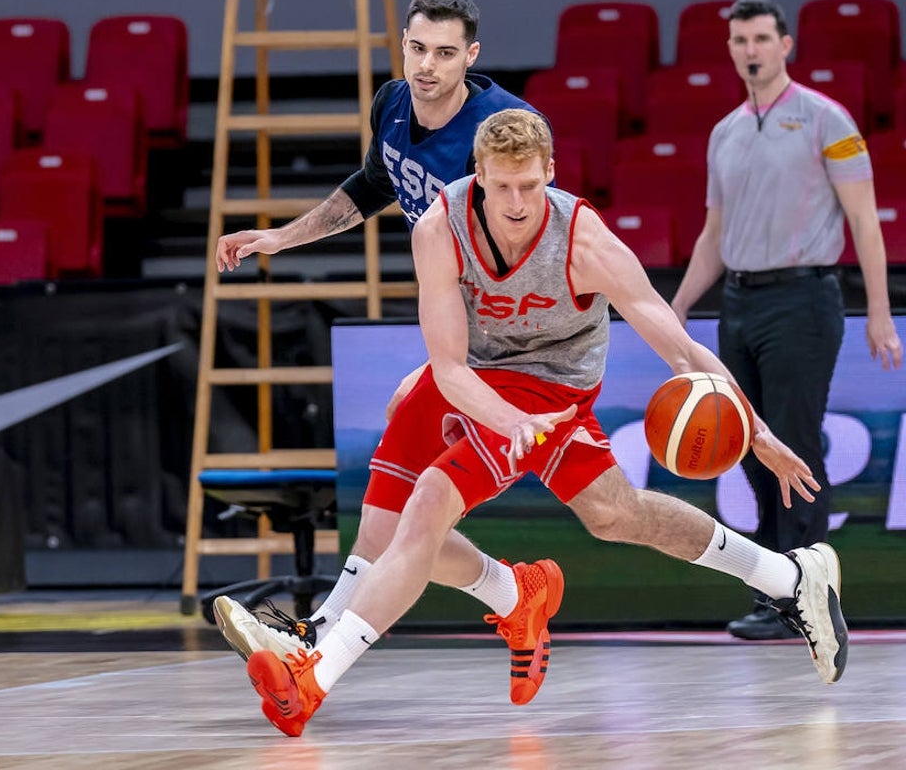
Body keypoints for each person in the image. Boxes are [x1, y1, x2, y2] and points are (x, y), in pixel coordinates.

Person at [242, 108, 848, 737]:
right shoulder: (438, 229)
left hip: (553, 389)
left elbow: (682, 350)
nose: (516, 202)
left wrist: (759, 433)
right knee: (391, 524)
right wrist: (505, 420)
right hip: (473, 379)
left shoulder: (585, 242)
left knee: (613, 516)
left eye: (530, 185)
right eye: (501, 185)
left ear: (550, 174)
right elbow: (449, 370)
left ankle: (788, 575)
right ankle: (506, 598)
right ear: (477, 175)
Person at [214, 0, 564, 703]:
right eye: (415, 48)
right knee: (398, 519)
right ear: (402, 43)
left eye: (444, 53)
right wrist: (279, 235)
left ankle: (315, 646)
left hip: (514, 347)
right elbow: (371, 186)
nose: (427, 66)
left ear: (472, 56)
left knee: (422, 511)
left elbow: (543, 231)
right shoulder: (393, 104)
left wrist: (467, 360)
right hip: (455, 339)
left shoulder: (501, 128)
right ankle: (514, 593)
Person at [670, 0, 902, 641]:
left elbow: (864, 220)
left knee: (793, 444)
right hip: (738, 303)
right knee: (746, 447)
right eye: (740, 40)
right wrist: (680, 303)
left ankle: (804, 599)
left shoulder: (827, 118)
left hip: (804, 299)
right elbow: (715, 232)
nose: (751, 50)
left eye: (762, 38)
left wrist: (878, 313)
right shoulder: (725, 132)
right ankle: (780, 589)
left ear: (786, 44)